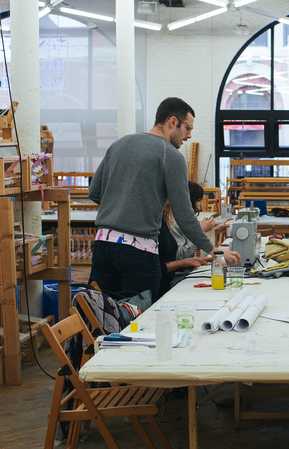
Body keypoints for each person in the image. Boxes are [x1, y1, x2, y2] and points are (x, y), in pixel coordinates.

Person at [88, 97, 238, 302]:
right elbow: (184, 214)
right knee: (139, 317)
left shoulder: (119, 144)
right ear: (173, 121)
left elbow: (94, 192)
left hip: (102, 246)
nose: (189, 135)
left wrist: (122, 206)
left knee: (102, 313)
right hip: (138, 251)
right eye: (188, 128)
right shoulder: (171, 155)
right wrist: (215, 251)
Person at [157, 182, 232, 299]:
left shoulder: (176, 219)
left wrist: (213, 231)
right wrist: (201, 232)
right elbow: (181, 255)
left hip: (181, 273)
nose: (201, 204)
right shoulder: (173, 221)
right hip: (177, 277)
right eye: (199, 200)